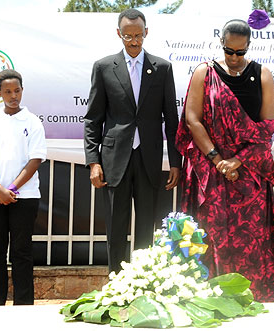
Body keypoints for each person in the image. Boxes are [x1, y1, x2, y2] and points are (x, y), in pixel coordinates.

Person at [175, 19, 274, 302]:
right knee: (210, 237)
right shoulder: (205, 72)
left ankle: (254, 298)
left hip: (249, 174)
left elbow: (267, 127)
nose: (234, 58)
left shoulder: (262, 74)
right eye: (229, 51)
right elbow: (192, 119)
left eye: (240, 52)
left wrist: (237, 160)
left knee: (251, 241)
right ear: (221, 44)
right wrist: (217, 159)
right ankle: (206, 299)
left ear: (248, 47)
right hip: (211, 172)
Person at [84, 8, 182, 273]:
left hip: (148, 159)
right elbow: (93, 119)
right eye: (128, 36)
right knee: (116, 227)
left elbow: (172, 120)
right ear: (119, 34)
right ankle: (116, 285)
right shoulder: (104, 67)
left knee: (145, 229)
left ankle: (142, 284)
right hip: (115, 161)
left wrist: (175, 162)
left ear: (146, 33)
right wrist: (93, 162)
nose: (134, 41)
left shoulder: (162, 68)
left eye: (138, 35)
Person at [0, 69, 47, 305]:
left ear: (22, 90)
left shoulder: (33, 122)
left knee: (21, 252)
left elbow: (35, 160)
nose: (13, 96)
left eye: (17, 91)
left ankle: (23, 305)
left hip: (24, 197)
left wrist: (12, 190)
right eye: (8, 91)